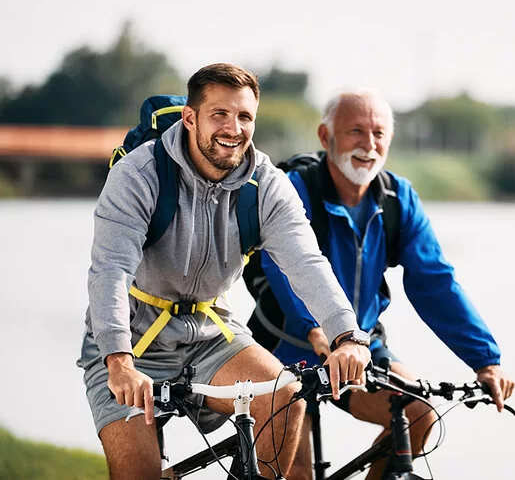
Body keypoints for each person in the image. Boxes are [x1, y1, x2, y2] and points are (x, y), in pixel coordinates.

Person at [76, 63, 370, 480]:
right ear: (190, 118)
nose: (234, 129)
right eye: (220, 114)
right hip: (132, 340)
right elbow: (110, 271)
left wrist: (347, 335)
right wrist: (118, 359)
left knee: (286, 396)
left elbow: (306, 262)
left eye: (245, 116)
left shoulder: (265, 184)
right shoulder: (139, 175)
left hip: (213, 333)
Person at [245, 89, 515, 479]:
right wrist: (317, 330)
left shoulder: (396, 199)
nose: (369, 145)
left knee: (419, 415)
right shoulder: (293, 189)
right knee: (295, 471)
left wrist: (486, 360)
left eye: (379, 133)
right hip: (287, 348)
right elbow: (280, 265)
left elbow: (435, 283)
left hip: (359, 348)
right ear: (326, 137)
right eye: (356, 131)